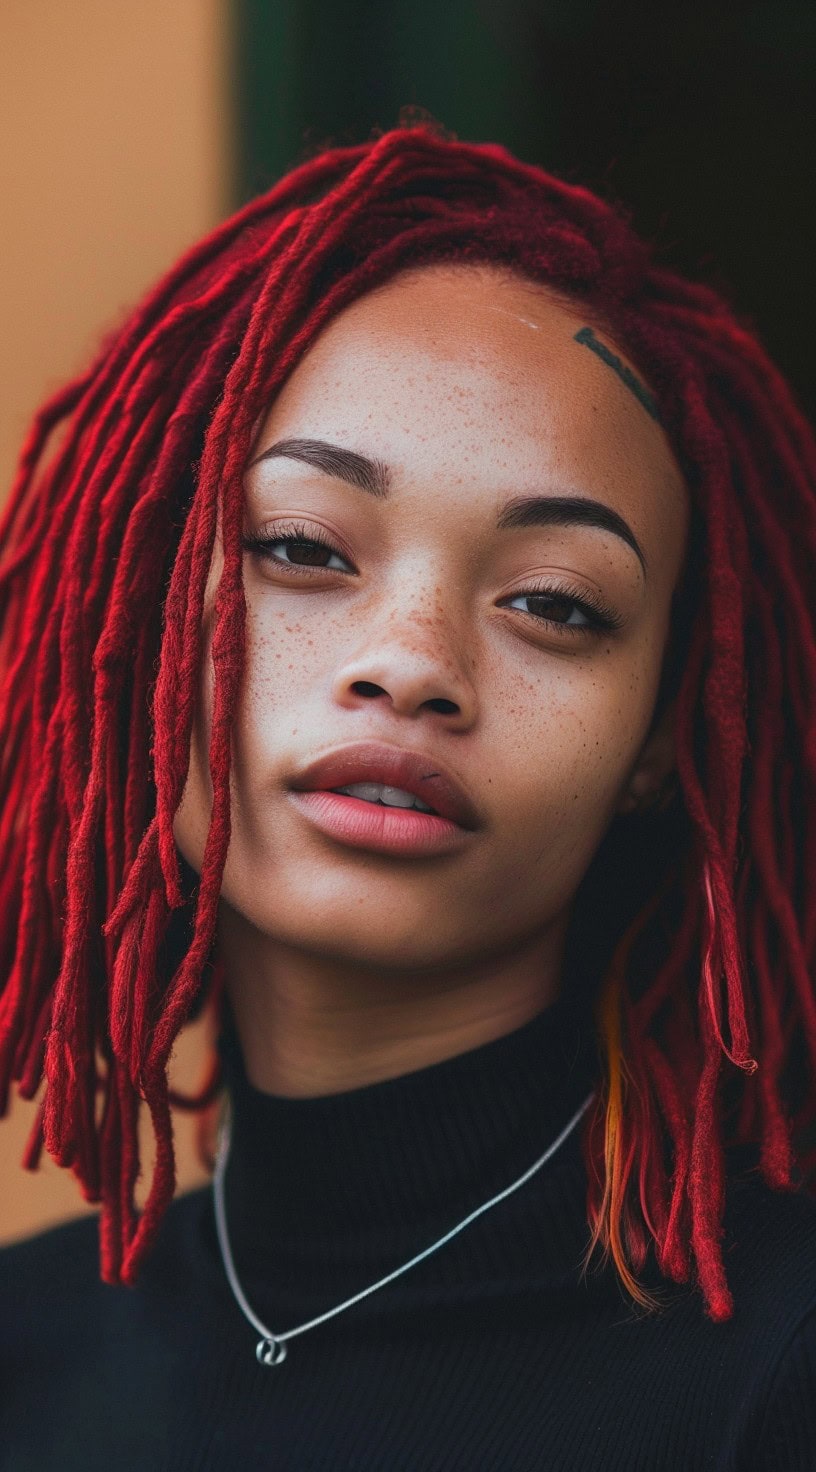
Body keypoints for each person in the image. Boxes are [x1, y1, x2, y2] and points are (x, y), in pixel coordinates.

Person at [0, 117, 814, 1470]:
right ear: (129, 605)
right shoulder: (23, 1360)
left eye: (554, 603)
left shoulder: (773, 1387)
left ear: (668, 738)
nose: (414, 665)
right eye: (305, 548)